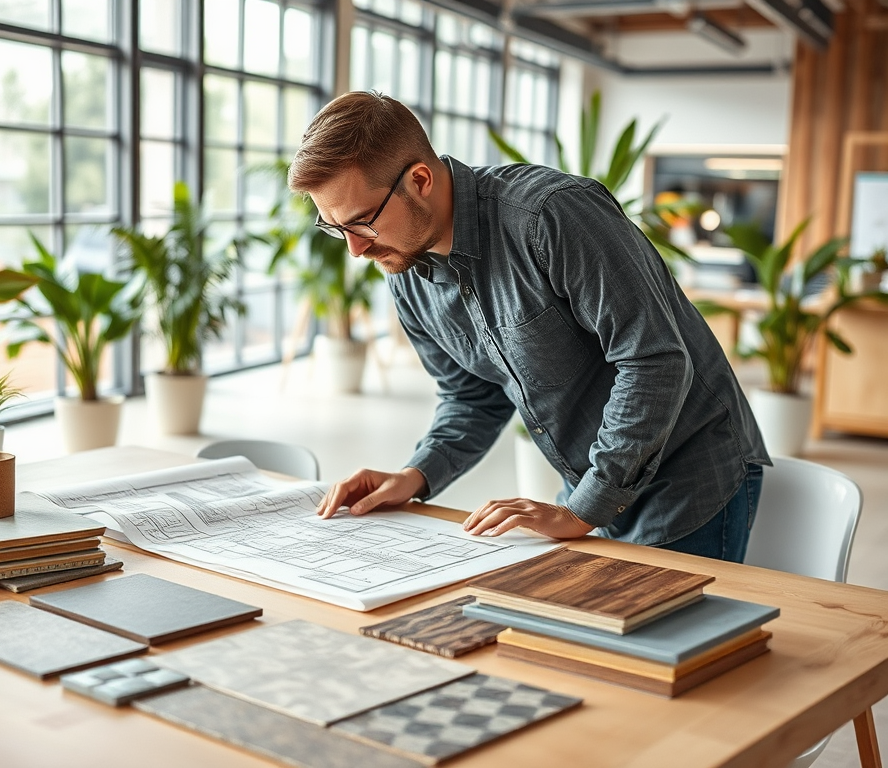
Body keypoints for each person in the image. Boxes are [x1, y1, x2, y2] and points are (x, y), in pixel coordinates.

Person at [294, 91, 770, 562]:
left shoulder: (552, 216)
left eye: (362, 223)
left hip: (688, 472)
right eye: (336, 229)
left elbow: (654, 361)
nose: (355, 251)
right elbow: (471, 397)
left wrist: (583, 510)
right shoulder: (408, 271)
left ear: (420, 179)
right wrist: (416, 475)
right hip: (595, 480)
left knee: (663, 636)